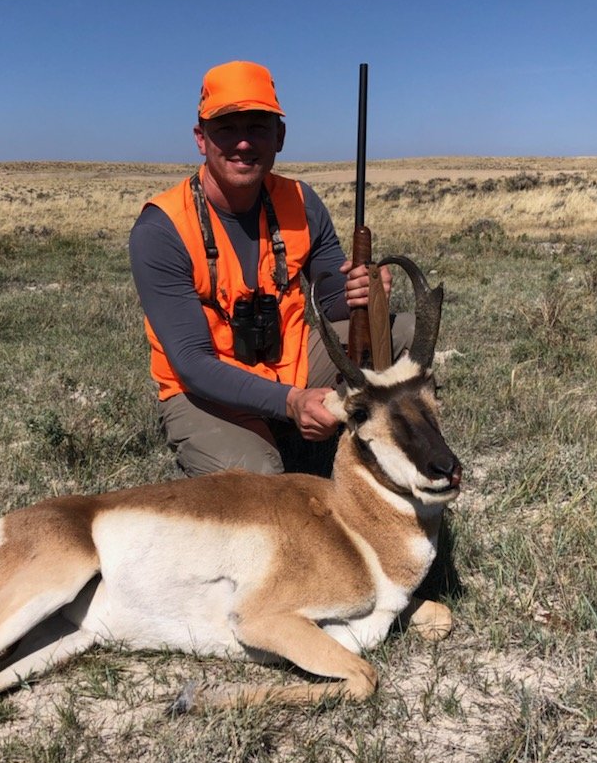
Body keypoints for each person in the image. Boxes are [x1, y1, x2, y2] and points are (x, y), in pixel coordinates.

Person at [129, 60, 413, 477]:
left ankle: (387, 445)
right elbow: (191, 361)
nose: (243, 144)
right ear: (200, 138)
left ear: (279, 136)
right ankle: (258, 436)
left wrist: (362, 291)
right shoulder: (161, 228)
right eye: (226, 128)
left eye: (258, 127)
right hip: (206, 392)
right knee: (260, 478)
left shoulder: (301, 201)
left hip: (291, 365)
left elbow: (334, 302)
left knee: (401, 330)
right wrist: (291, 402)